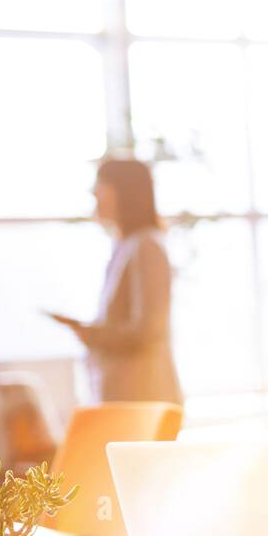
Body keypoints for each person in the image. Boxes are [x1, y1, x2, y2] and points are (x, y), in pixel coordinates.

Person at [50, 157, 182, 405]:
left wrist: (91, 334)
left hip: (144, 398)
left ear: (123, 193)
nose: (95, 195)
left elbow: (147, 331)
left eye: (101, 187)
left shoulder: (146, 246)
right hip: (125, 396)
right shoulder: (124, 246)